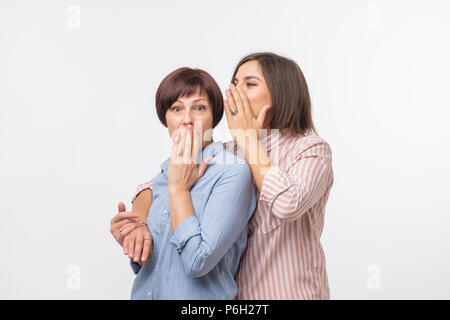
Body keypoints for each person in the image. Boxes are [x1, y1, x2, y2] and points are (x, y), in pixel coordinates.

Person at [116, 52, 334, 299]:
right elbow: (158, 184)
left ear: (282, 92)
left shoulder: (310, 149)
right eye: (235, 83)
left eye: (250, 84)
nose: (235, 92)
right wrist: (140, 224)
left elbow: (287, 204)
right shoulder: (228, 152)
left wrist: (248, 138)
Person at [110, 67, 257, 300]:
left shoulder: (232, 173)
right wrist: (133, 237)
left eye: (199, 108)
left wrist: (179, 190)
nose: (187, 120)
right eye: (177, 109)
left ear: (214, 116)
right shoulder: (160, 178)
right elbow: (156, 262)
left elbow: (197, 261)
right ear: (165, 118)